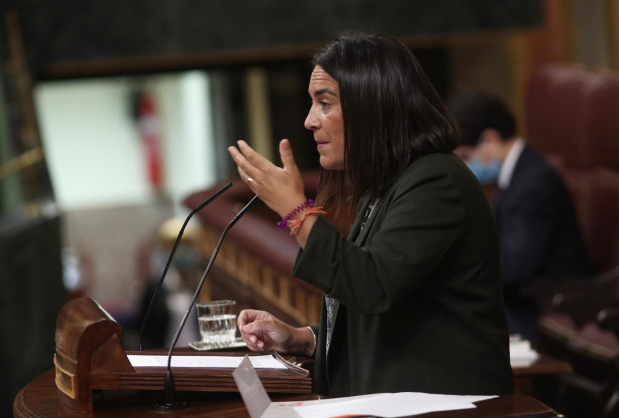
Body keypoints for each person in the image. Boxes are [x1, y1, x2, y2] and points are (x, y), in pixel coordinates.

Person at [228, 32, 513, 397]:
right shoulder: (388, 183)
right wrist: (303, 340)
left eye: (325, 103)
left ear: (372, 106)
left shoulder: (438, 181)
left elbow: (373, 285)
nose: (309, 121)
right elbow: (381, 310)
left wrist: (294, 209)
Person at [445, 90, 595, 340]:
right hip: (529, 295)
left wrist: (454, 265)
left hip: (550, 301)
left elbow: (514, 267)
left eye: (465, 157)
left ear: (491, 139)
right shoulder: (517, 175)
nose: (465, 167)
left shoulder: (533, 182)